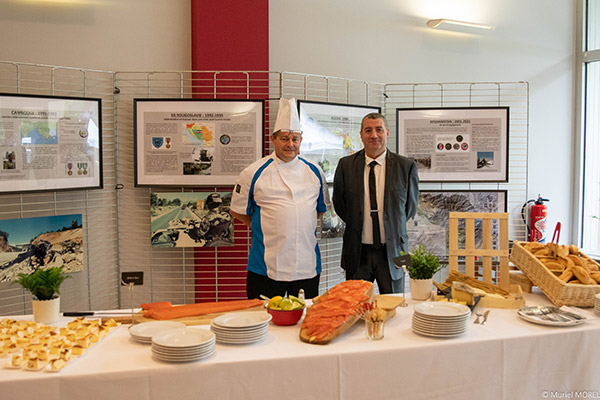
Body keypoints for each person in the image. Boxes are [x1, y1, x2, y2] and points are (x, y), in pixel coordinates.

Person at [230, 98, 330, 299]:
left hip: (306, 266)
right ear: (273, 139)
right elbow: (237, 211)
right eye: (284, 138)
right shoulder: (253, 172)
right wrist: (267, 226)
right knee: (263, 320)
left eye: (295, 139)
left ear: (301, 141)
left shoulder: (315, 171)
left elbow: (319, 210)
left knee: (304, 321)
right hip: (266, 265)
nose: (290, 144)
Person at [333, 112, 419, 293]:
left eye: (379, 130)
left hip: (394, 250)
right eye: (368, 130)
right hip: (357, 251)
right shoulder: (346, 166)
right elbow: (340, 206)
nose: (374, 135)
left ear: (387, 133)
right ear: (361, 135)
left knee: (396, 303)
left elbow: (409, 208)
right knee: (356, 306)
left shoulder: (406, 166)